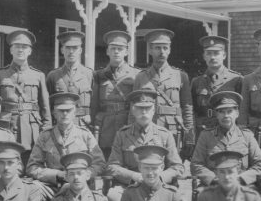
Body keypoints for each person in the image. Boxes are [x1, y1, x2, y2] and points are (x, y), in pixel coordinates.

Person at [106, 90, 185, 201]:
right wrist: (134, 176)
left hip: (159, 185)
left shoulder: (165, 135)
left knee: (176, 199)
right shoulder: (122, 134)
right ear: (133, 110)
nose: (144, 112)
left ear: (153, 110)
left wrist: (159, 177)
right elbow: (112, 166)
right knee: (113, 195)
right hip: (130, 185)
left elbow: (177, 167)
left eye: (148, 108)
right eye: (139, 108)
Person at [134, 29, 195, 159]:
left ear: (169, 50)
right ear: (150, 50)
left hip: (173, 131)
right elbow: (133, 108)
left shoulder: (180, 76)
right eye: (157, 48)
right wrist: (132, 133)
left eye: (165, 48)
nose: (161, 52)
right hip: (147, 130)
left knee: (172, 169)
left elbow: (187, 108)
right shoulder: (140, 77)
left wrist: (189, 135)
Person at [25, 92, 105, 190]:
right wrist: (57, 174)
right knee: (32, 189)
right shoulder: (45, 136)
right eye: (61, 111)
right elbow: (32, 167)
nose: (65, 114)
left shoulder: (85, 135)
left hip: (80, 186)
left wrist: (81, 175)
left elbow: (100, 164)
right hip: (53, 186)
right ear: (54, 113)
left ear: (74, 113)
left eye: (68, 110)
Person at [189, 91, 261, 189]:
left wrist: (242, 178)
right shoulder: (206, 136)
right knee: (202, 197)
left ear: (237, 113)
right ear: (216, 114)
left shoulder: (247, 136)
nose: (226, 116)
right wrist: (214, 179)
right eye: (221, 112)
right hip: (213, 186)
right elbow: (196, 165)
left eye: (229, 111)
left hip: (241, 185)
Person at [0, 29, 51, 155]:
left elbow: (45, 108)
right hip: (6, 128)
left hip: (31, 130)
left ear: (29, 51)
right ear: (11, 50)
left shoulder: (38, 75)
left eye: (24, 47)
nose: (20, 50)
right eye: (17, 46)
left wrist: (45, 132)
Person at [91, 30, 140, 158]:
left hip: (127, 123)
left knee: (127, 157)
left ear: (126, 51)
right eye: (113, 48)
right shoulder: (99, 75)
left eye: (120, 48)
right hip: (105, 125)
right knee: (105, 158)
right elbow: (94, 104)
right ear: (107, 51)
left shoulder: (136, 74)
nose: (116, 52)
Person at [190, 35, 242, 140]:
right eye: (209, 53)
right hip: (203, 132)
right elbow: (192, 111)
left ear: (224, 55)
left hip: (227, 132)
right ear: (204, 56)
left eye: (216, 53)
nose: (212, 57)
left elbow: (242, 110)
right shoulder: (197, 82)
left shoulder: (236, 79)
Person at [46, 31, 94, 130]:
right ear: (62, 50)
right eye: (67, 48)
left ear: (80, 50)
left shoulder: (90, 74)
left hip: (83, 125)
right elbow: (48, 105)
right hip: (61, 125)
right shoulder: (53, 76)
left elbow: (95, 103)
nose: (71, 51)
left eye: (75, 48)